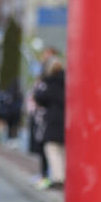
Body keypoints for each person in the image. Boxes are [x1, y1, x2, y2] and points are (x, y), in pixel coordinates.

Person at [34, 57, 66, 189]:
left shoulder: (50, 84)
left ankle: (58, 178)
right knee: (62, 149)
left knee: (51, 148)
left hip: (54, 120)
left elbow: (40, 98)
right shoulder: (67, 82)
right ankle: (63, 176)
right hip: (67, 120)